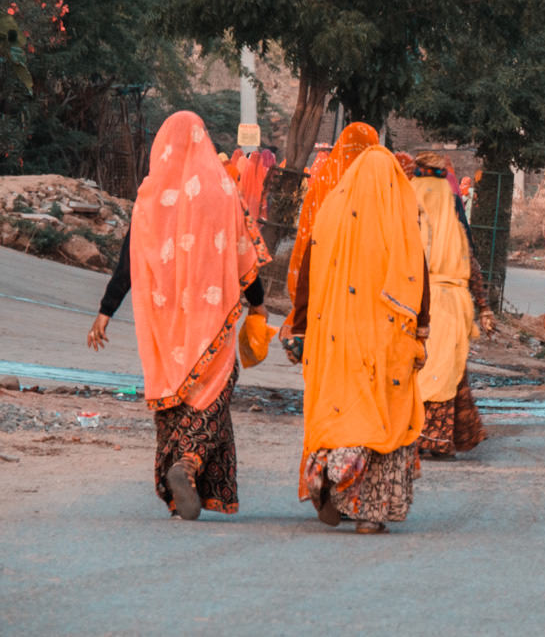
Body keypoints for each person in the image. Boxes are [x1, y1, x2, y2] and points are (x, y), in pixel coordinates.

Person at [87, 111, 269, 520]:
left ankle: (179, 496)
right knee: (212, 397)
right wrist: (257, 304)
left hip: (164, 326)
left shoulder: (151, 196)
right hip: (212, 320)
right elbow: (245, 257)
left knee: (176, 402)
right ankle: (185, 465)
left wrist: (105, 311)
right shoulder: (223, 191)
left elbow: (129, 262)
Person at [285, 146, 430, 534]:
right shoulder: (398, 214)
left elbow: (307, 274)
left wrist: (300, 327)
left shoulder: (332, 212)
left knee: (341, 410)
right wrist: (422, 330)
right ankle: (370, 514)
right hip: (386, 337)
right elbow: (418, 276)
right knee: (385, 418)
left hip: (333, 337)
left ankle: (327, 472)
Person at [409, 150, 493, 459]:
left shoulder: (408, 209)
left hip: (414, 303)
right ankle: (441, 442)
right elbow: (473, 267)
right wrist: (484, 308)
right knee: (448, 374)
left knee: (415, 373)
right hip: (453, 305)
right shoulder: (453, 219)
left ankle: (412, 436)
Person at [284, 122, 379, 307]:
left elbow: (306, 242)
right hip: (362, 296)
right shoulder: (381, 192)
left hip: (320, 282)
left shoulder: (322, 186)